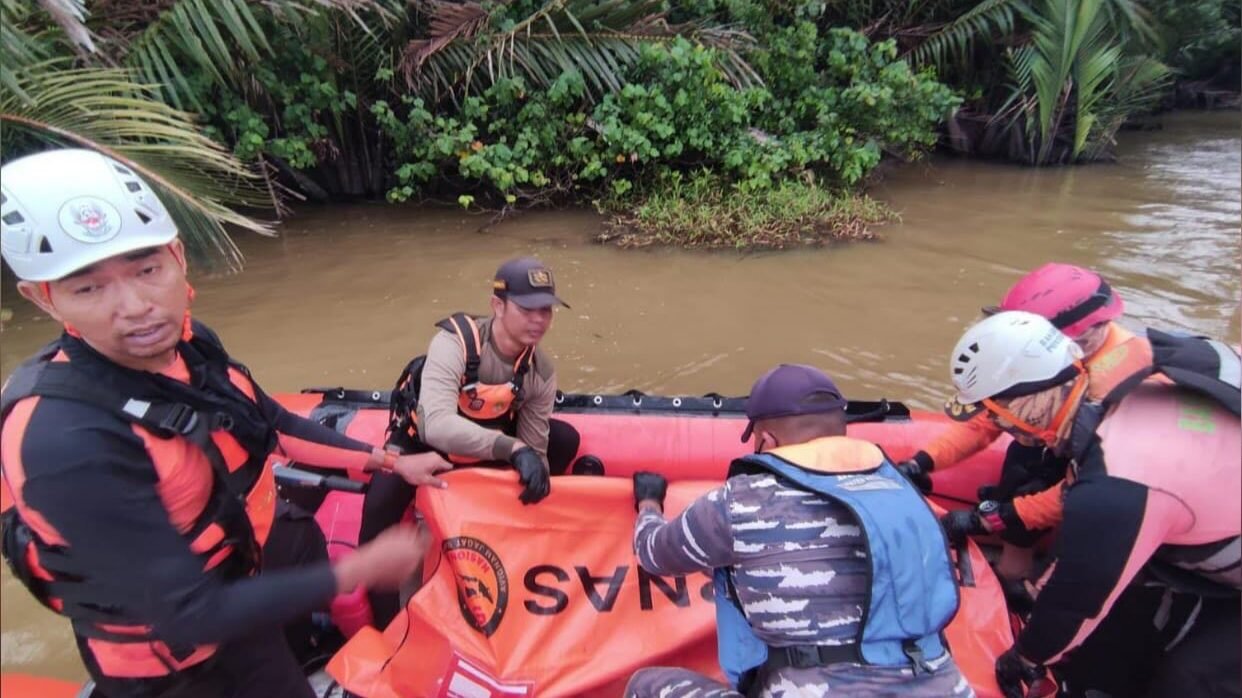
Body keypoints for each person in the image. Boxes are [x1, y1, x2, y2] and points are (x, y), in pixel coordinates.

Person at [0, 148, 452, 698]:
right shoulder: (64, 439)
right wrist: (357, 570)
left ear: (178, 256)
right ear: (43, 299)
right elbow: (187, 614)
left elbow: (267, 421)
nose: (136, 306)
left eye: (147, 269)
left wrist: (386, 459)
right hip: (175, 665)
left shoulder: (190, 343)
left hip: (242, 595)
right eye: (88, 287)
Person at [625, 364, 973, 698]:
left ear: (767, 441)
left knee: (648, 685)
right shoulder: (905, 494)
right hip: (943, 683)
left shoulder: (740, 503)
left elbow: (653, 553)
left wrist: (649, 504)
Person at [941, 310, 1240, 698]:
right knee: (1113, 642)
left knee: (1191, 679)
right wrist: (1031, 588)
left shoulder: (1121, 478)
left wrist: (1028, 658)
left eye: (996, 412)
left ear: (1024, 403)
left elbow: (1078, 595)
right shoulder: (1133, 380)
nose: (997, 425)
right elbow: (1078, 520)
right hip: (1204, 518)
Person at [358, 256, 598, 626]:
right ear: (497, 306)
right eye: (528, 308)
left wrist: (535, 473)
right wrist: (512, 450)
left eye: (547, 310)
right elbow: (435, 424)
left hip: (486, 448)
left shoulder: (540, 371)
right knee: (378, 507)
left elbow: (534, 446)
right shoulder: (453, 342)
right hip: (422, 446)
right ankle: (384, 625)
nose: (539, 320)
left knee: (563, 440)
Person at [897, 263, 1152, 580]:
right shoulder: (1056, 373)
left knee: (1079, 519)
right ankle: (1014, 567)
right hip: (1086, 461)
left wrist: (986, 520)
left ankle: (1031, 584)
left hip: (1128, 487)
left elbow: (1082, 491)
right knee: (1025, 454)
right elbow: (989, 421)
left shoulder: (1117, 399)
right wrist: (920, 463)